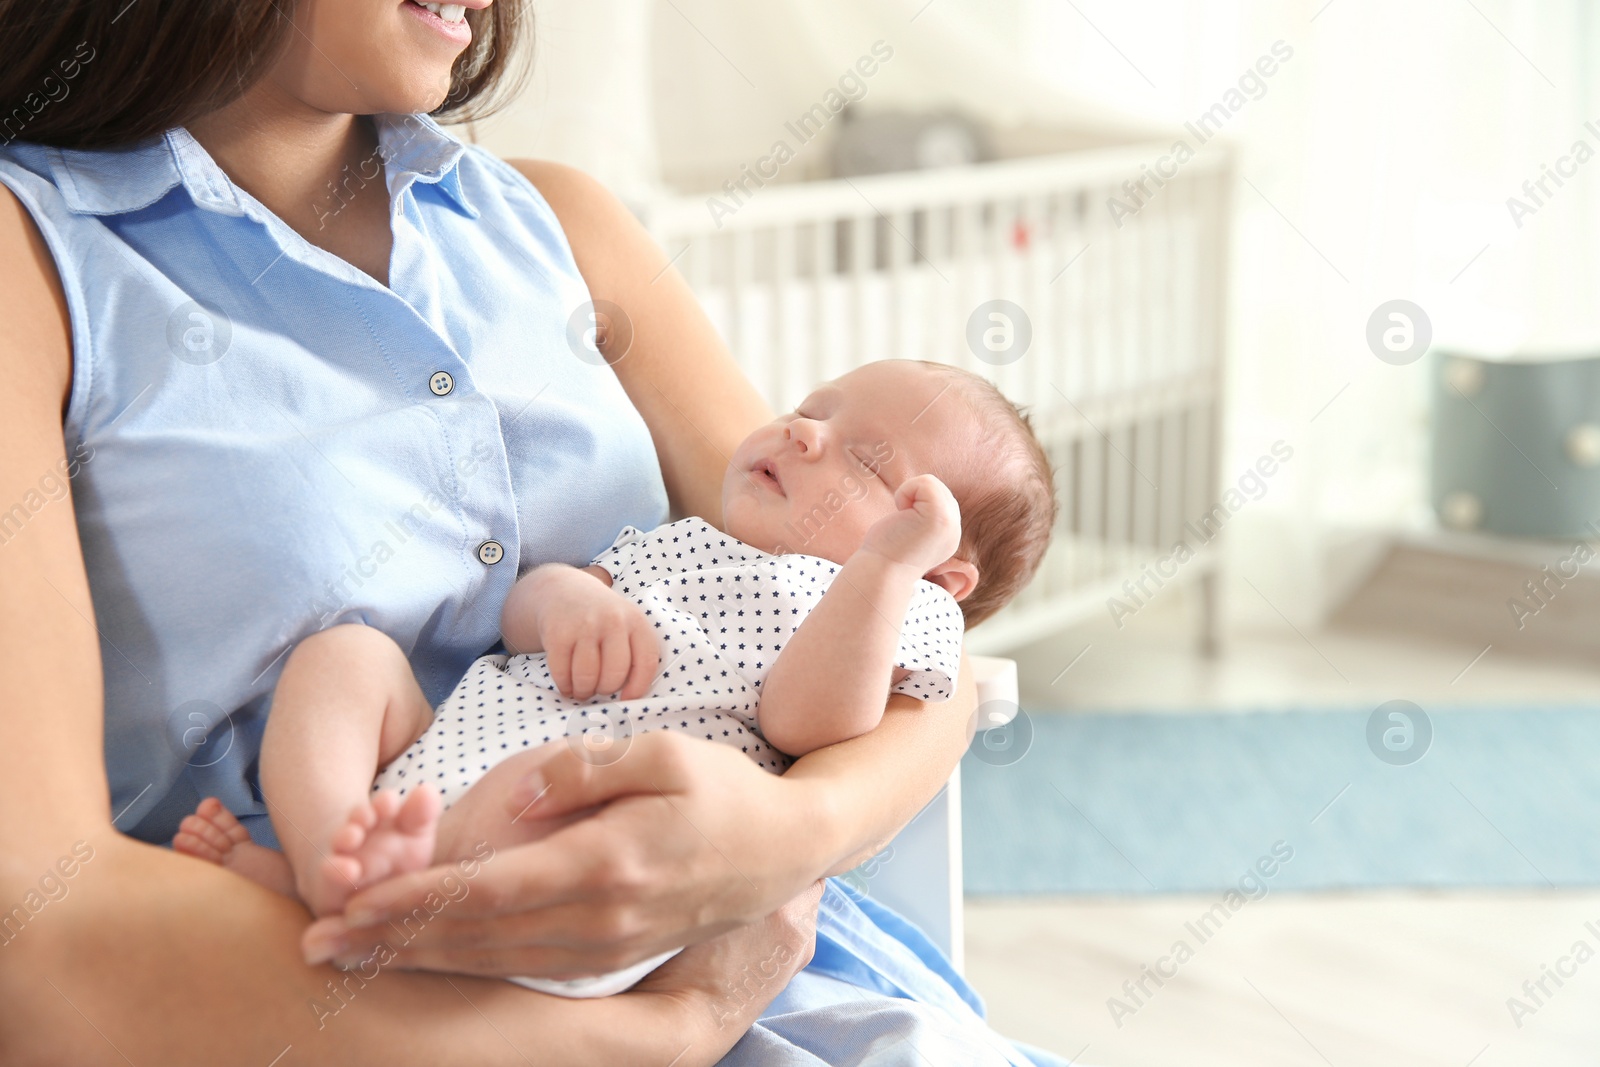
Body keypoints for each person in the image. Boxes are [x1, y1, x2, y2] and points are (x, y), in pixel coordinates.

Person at [0, 2, 1068, 1064]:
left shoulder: (562, 226)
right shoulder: (38, 258)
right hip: (330, 1002)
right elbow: (44, 948)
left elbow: (918, 642)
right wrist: (659, 1031)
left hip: (747, 956)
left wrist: (770, 842)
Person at [172, 359, 1053, 1002]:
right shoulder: (687, 541)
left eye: (867, 463)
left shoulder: (896, 604)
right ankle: (331, 854)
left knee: (553, 784)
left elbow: (804, 720)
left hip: (588, 849)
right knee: (347, 656)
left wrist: (882, 569)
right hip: (441, 750)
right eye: (809, 408)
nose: (802, 433)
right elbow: (532, 611)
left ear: (944, 570)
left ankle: (390, 888)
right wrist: (563, 605)